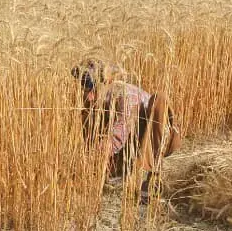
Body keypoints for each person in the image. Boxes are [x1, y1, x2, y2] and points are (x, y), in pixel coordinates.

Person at [71, 59, 182, 199]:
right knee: (88, 112)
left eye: (90, 86)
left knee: (159, 100)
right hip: (129, 143)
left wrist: (91, 160)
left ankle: (153, 177)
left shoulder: (126, 96)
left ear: (106, 83)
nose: (88, 93)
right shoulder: (95, 99)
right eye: (83, 86)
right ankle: (113, 170)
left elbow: (119, 133)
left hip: (156, 139)